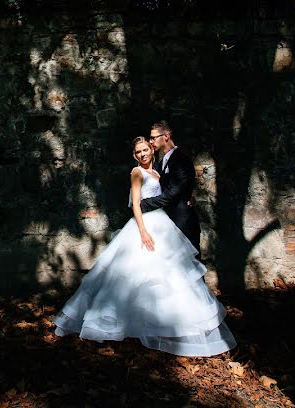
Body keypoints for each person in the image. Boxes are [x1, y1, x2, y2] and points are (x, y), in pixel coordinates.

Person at [53, 137, 236, 356]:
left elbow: (171, 193)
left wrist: (189, 200)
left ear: (152, 150)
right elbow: (136, 204)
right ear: (135, 155)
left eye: (145, 150)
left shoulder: (157, 173)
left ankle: (166, 322)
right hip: (144, 225)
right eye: (138, 152)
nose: (143, 154)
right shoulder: (136, 173)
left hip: (163, 225)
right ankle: (118, 322)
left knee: (167, 275)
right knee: (133, 274)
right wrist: (142, 231)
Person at [141, 120, 201, 259]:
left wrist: (144, 204)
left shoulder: (181, 160)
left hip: (184, 223)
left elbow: (171, 194)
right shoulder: (162, 162)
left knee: (191, 268)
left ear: (166, 136)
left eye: (153, 137)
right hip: (169, 223)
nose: (151, 141)